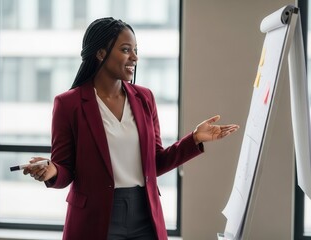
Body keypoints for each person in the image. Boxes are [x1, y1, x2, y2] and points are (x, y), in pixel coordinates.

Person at [23, 17, 239, 240]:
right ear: (100, 54)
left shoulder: (144, 98)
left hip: (145, 213)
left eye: (135, 50)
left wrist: (193, 139)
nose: (134, 57)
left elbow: (156, 163)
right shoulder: (69, 104)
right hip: (95, 219)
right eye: (126, 50)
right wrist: (52, 171)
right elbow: (66, 169)